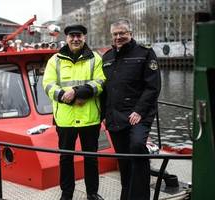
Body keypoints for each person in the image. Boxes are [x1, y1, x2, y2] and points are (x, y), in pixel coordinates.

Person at [43, 24, 106, 200]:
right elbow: (47, 84)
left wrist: (78, 92)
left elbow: (101, 82)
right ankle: (67, 193)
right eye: (72, 36)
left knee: (91, 158)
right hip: (65, 119)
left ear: (84, 38)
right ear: (67, 38)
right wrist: (66, 96)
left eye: (79, 36)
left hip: (90, 118)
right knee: (65, 159)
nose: (76, 39)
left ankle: (92, 193)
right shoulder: (54, 60)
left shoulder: (95, 58)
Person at [100, 19, 161, 200]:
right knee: (123, 159)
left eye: (122, 33)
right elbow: (105, 90)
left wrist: (139, 111)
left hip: (138, 115)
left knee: (136, 146)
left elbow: (153, 87)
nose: (119, 37)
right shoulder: (107, 57)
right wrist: (104, 115)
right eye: (115, 34)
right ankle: (125, 193)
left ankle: (141, 197)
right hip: (115, 116)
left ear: (130, 33)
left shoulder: (145, 54)